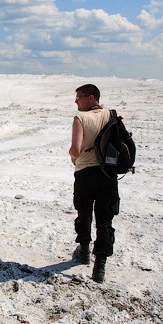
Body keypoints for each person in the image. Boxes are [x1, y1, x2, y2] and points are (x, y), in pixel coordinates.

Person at [68, 84, 119, 283]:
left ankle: (83, 251)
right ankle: (100, 267)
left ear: (91, 98)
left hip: (85, 174)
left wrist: (73, 158)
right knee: (105, 220)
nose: (76, 101)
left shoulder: (80, 119)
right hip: (108, 174)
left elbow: (75, 149)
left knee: (84, 213)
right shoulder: (112, 115)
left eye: (78, 97)